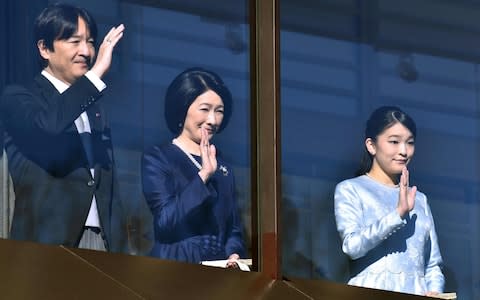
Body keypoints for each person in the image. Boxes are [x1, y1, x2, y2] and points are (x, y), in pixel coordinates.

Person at [0, 3, 128, 252]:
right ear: (44, 48)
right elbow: (47, 126)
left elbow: (108, 187)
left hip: (103, 243)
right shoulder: (18, 96)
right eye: (74, 40)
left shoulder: (94, 106)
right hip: (47, 245)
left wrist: (122, 250)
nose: (86, 51)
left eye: (90, 42)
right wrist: (96, 75)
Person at [334, 106, 445, 296]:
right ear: (371, 145)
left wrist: (435, 291)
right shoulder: (351, 189)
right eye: (394, 141)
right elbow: (352, 247)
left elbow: (433, 265)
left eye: (409, 142)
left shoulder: (419, 199)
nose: (403, 151)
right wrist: (397, 215)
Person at [142, 67, 246, 266]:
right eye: (205, 109)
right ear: (183, 107)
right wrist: (203, 176)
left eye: (219, 111)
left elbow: (233, 229)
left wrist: (234, 253)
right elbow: (165, 222)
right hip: (175, 267)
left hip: (217, 274)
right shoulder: (159, 157)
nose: (212, 120)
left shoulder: (223, 167)